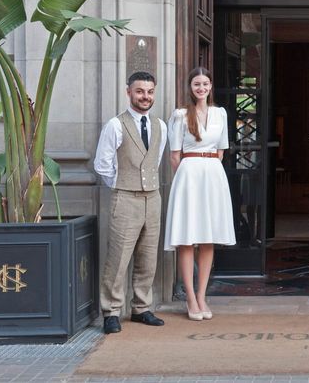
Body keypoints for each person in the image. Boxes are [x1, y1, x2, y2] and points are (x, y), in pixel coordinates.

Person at [94, 71, 168, 334]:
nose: (145, 97)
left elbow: (155, 159)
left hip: (153, 198)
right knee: (118, 258)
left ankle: (141, 308)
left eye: (149, 92)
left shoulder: (161, 125)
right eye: (139, 91)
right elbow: (102, 165)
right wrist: (122, 185)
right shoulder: (115, 125)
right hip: (125, 198)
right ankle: (111, 312)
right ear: (129, 92)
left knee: (148, 258)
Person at [164, 67, 235, 321]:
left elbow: (221, 150)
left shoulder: (220, 114)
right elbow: (174, 155)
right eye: (197, 84)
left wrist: (208, 169)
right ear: (190, 87)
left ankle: (202, 295)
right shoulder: (181, 115)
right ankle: (190, 299)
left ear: (210, 86)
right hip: (189, 174)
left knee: (208, 237)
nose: (201, 88)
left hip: (213, 174)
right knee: (187, 237)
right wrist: (187, 176)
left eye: (205, 83)